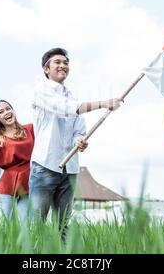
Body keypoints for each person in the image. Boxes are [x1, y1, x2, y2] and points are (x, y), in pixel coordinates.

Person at [30, 47, 122, 241]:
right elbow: (67, 110)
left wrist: (79, 141)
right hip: (45, 166)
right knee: (36, 223)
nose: (63, 65)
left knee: (63, 225)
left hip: (70, 169)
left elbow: (78, 129)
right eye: (57, 62)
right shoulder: (41, 91)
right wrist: (104, 103)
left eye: (65, 63)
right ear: (46, 69)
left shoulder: (71, 96)